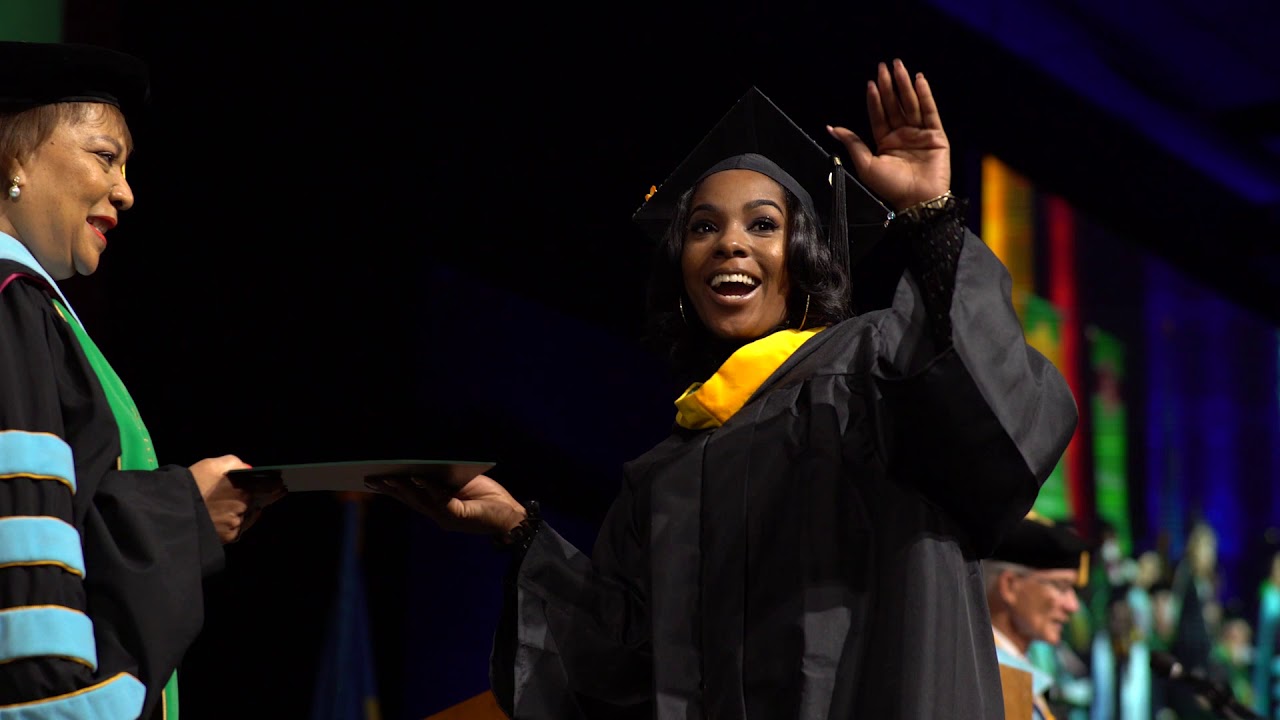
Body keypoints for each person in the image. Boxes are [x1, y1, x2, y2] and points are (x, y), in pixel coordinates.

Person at [373, 59, 1077, 718]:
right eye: (703, 227)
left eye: (763, 225)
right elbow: (618, 670)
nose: (730, 244)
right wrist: (517, 530)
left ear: (803, 257)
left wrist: (931, 221)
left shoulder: (873, 368)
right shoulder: (666, 473)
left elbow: (991, 421)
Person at [0, 40, 283, 718]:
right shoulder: (10, 303)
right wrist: (184, 513)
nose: (126, 191)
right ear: (11, 156)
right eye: (105, 156)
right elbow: (23, 564)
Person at [983, 513, 1094, 720]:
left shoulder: (1008, 671)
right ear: (1009, 586)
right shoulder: (993, 680)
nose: (1072, 605)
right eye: (1061, 587)